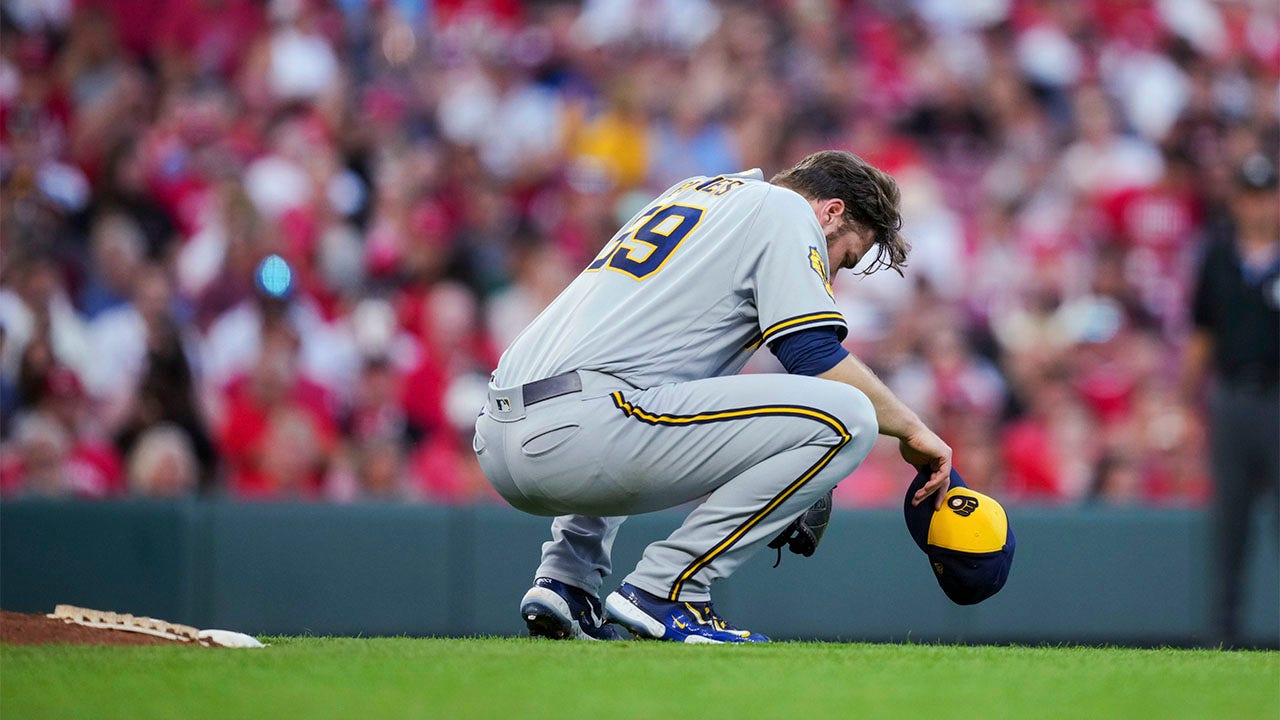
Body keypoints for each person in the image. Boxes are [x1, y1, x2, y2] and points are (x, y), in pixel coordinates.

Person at [473, 151, 953, 643]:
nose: (833, 275)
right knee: (850, 417)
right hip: (580, 432)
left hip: (501, 433)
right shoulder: (787, 211)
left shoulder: (698, 192)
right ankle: (667, 590)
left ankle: (567, 581)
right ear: (830, 212)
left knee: (649, 388)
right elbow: (810, 352)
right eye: (846, 256)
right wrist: (914, 428)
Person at [1184, 153, 1280, 647]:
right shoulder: (1219, 255)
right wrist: (1188, 400)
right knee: (1231, 522)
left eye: (1267, 196)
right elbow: (1201, 334)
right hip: (1232, 396)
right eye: (1250, 196)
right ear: (1237, 201)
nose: (1259, 206)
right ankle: (1224, 636)